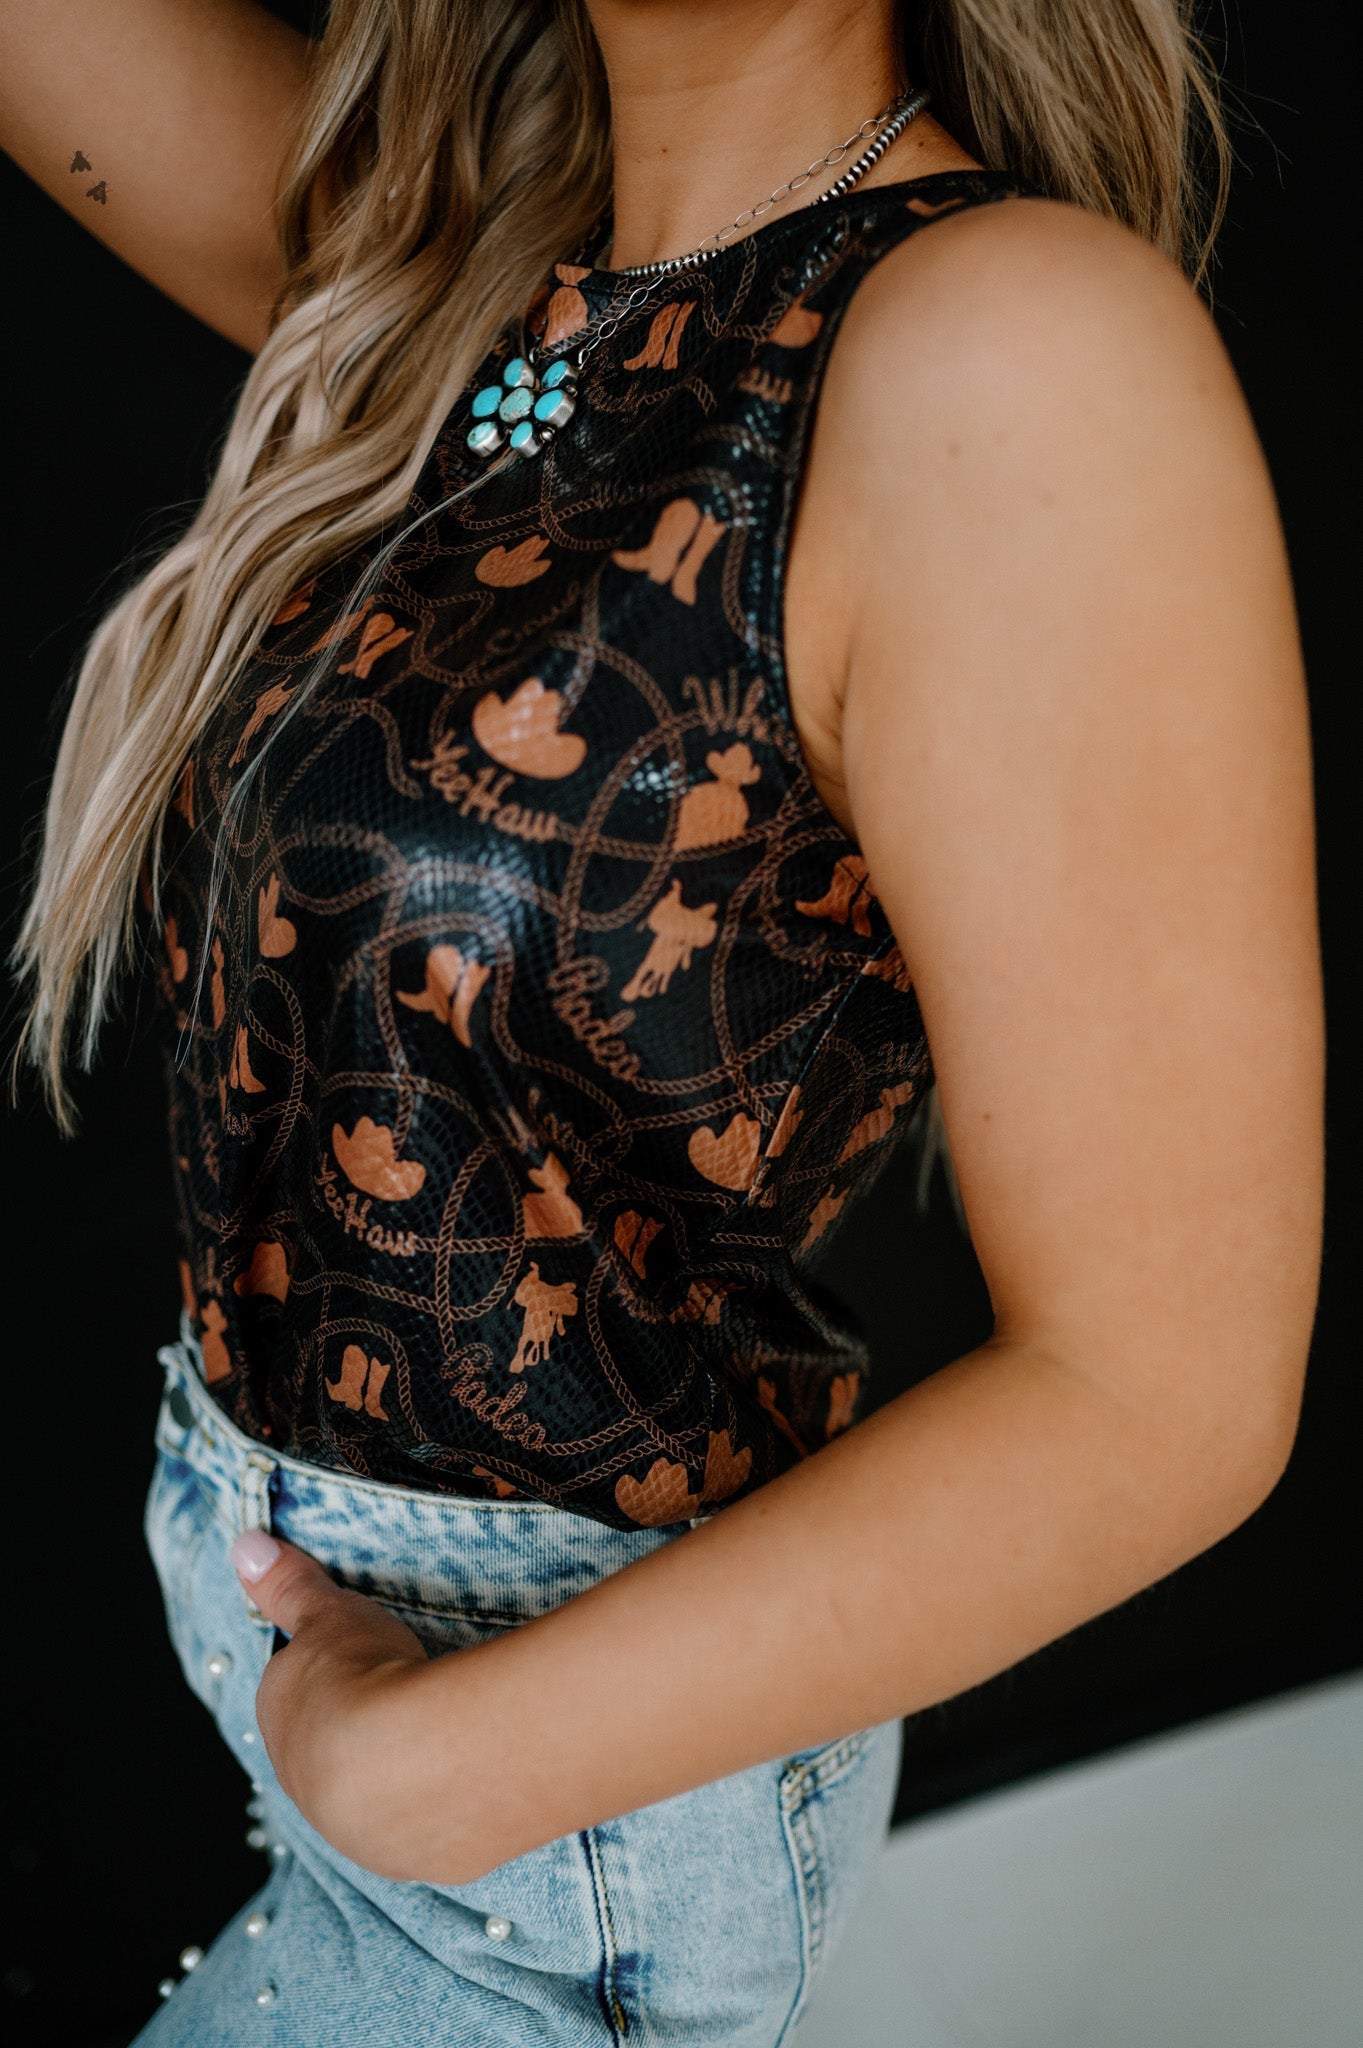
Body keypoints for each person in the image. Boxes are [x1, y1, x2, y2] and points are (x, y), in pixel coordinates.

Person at [6, 2, 1322, 2042]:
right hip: (355, 1720)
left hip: (547, 1811)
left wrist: (415, 1772)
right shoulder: (456, 283)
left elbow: (1163, 1399)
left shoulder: (1006, 347)